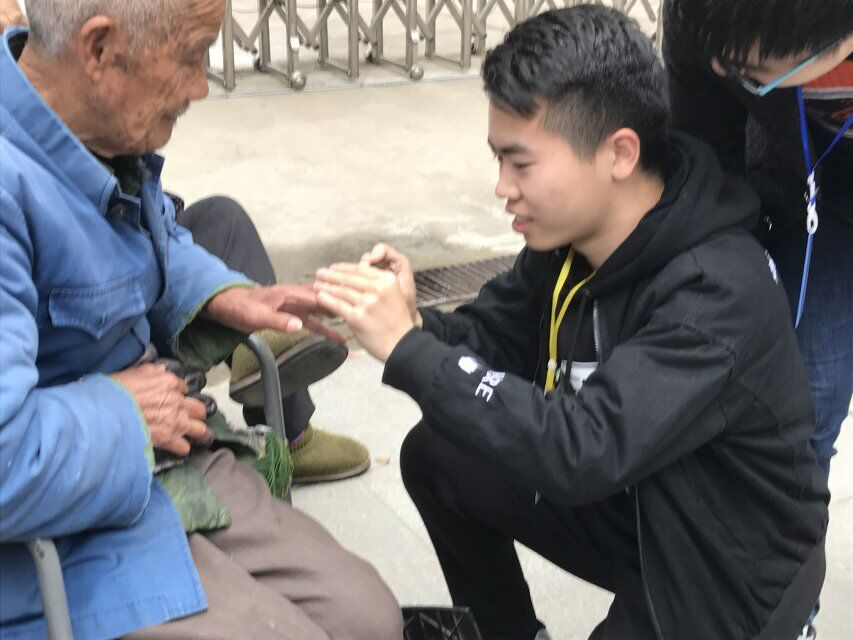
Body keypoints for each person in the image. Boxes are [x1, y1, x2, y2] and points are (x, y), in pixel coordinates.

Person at [314, 6, 829, 639]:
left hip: (726, 569)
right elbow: (491, 341)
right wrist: (411, 322)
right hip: (635, 500)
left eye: (521, 163)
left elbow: (583, 449)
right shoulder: (569, 240)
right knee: (441, 455)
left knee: (537, 442)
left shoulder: (715, 290)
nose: (502, 187)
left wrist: (410, 350)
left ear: (619, 153)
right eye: (498, 160)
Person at [0, 0, 403, 637]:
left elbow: (149, 231)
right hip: (54, 524)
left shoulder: (88, 123)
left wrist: (223, 295)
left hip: (159, 457)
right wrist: (124, 413)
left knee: (368, 618)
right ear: (99, 49)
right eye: (191, 57)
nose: (200, 87)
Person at [662, 1, 852, 476]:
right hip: (817, 198)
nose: (721, 69)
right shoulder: (704, 19)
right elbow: (709, 162)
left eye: (749, 71)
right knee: (801, 407)